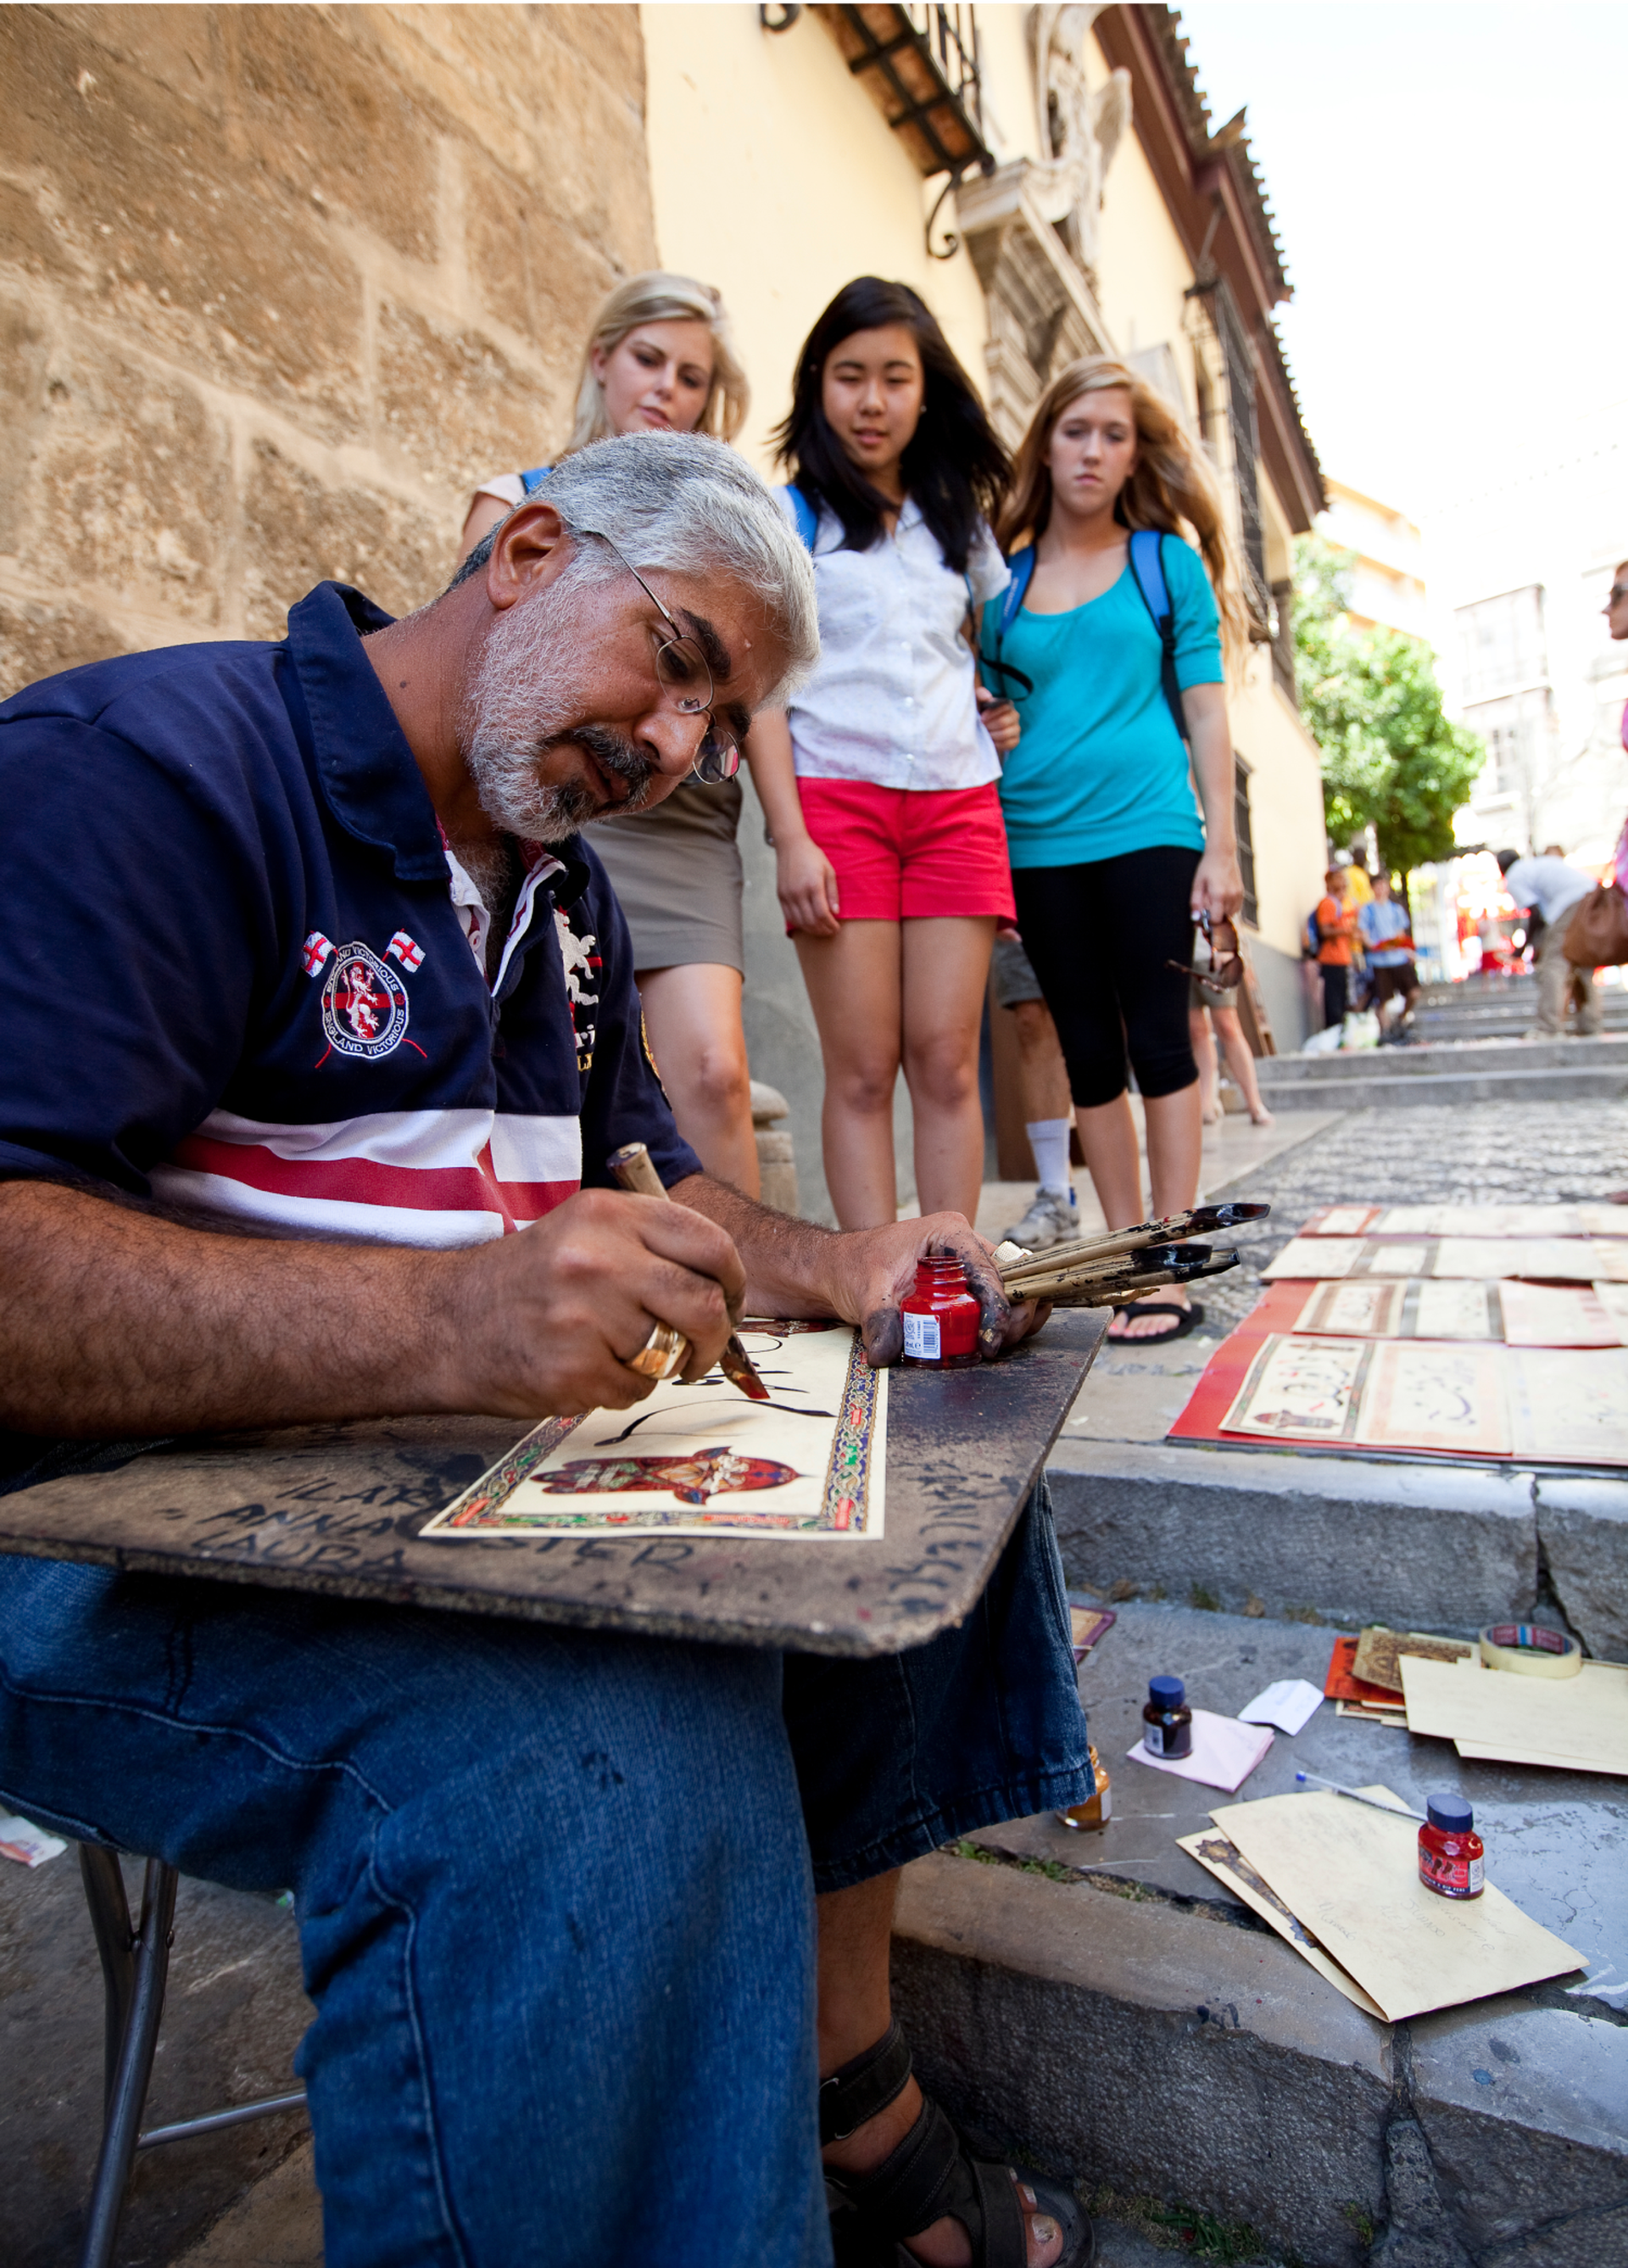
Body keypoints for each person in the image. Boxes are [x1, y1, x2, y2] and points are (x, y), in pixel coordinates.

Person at [0, 434, 1090, 2268]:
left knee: (925, 1470)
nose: (672, 746)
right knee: (601, 1749)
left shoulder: (553, 888)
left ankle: (839, 2069)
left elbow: (651, 1180)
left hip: (415, 1495)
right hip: (82, 1551)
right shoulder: (149, 771)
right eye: (676, 661)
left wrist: (837, 1260)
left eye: (717, 725)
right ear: (522, 551)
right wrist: (451, 1315)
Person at [461, 273, 763, 1193]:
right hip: (561, 799)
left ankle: (747, 1277)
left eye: (691, 376)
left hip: (683, 817)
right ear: (602, 360)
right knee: (566, 1061)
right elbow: (474, 659)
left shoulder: (724, 532)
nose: (667, 386)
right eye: (648, 359)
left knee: (715, 1072)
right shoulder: (516, 498)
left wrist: (792, 833)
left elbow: (756, 690)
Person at [980, 356, 1247, 1344]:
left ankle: (1170, 1257)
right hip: (1037, 843)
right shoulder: (999, 584)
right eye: (1077, 430)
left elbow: (1207, 709)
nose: (1094, 451)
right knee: (1088, 1051)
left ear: (1135, 455)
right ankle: (1128, 1255)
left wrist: (1223, 846)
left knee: (1162, 1040)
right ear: (1046, 443)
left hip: (1151, 830)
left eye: (1114, 435)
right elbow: (978, 714)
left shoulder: (1164, 563)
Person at [744, 277, 1018, 1232]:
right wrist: (789, 836)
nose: (872, 401)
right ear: (818, 383)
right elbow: (763, 689)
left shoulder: (962, 526)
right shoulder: (788, 518)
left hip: (957, 803)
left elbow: (965, 652)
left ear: (926, 390)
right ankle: (871, 1283)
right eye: (850, 375)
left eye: (895, 378)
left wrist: (991, 708)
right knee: (862, 1071)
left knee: (946, 1063)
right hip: (836, 806)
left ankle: (952, 1274)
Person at [992, 928, 1082, 1251]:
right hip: (1020, 898)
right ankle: (1057, 1193)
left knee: (1101, 1014)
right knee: (1031, 1015)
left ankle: (1167, 1193)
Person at [1495, 845, 1603, 1037]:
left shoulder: (1514, 877)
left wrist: (1520, 950)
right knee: (1581, 963)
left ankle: (1548, 1028)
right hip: (1592, 896)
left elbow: (1535, 914)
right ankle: (1590, 1025)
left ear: (1501, 867)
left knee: (1554, 965)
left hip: (1569, 903)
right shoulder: (1533, 866)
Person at [1190, 975, 1273, 1125]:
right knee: (1196, 1030)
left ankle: (1254, 1103)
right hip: (1185, 964)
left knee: (1228, 1026)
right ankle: (1205, 1106)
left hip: (1212, 964)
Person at [1357, 870, 1420, 1036]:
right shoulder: (1367, 910)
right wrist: (1375, 946)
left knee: (1413, 992)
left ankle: (1401, 1019)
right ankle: (1386, 1032)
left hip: (1398, 958)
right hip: (1378, 961)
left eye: (1383, 885)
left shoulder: (1395, 909)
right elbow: (1363, 934)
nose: (1381, 889)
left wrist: (1406, 950)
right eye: (1377, 885)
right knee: (1382, 998)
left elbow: (1400, 935)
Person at [1314, 866, 1358, 1029]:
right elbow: (1325, 930)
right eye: (1338, 878)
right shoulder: (1328, 903)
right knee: (1334, 1005)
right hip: (1331, 959)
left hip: (1343, 959)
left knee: (1343, 1003)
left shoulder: (1343, 904)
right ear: (1329, 882)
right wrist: (1346, 930)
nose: (1343, 881)